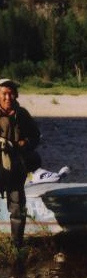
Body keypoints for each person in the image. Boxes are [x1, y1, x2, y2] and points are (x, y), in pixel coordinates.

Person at [0, 78, 41, 249]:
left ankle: (17, 246)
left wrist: (24, 144)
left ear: (16, 95)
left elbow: (36, 137)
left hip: (16, 168)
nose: (8, 97)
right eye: (4, 94)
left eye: (11, 93)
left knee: (17, 209)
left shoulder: (22, 114)